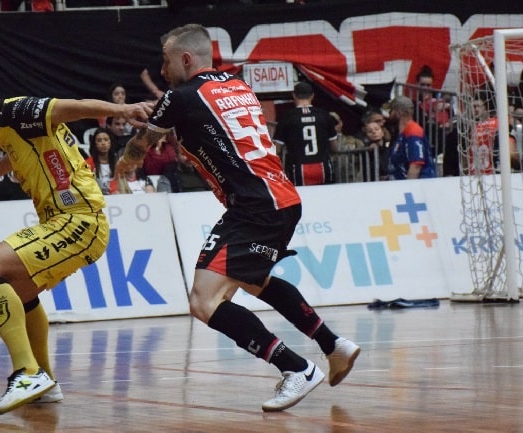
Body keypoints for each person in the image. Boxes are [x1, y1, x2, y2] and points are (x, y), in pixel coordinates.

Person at [114, 23, 360, 412]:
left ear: (186, 59)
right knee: (253, 279)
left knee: (203, 300)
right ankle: (334, 345)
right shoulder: (238, 86)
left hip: (254, 206)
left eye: (165, 62)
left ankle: (296, 369)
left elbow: (142, 144)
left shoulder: (181, 95)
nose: (162, 72)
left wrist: (123, 164)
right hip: (282, 199)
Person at [0, 68, 152, 415]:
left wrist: (123, 111)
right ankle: (45, 381)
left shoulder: (20, 112)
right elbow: (16, 153)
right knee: (21, 292)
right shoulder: (6, 128)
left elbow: (73, 107)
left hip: (78, 220)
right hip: (63, 221)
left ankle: (26, 373)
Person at [273, 81, 338, 186]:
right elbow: (335, 147)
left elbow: (277, 150)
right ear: (312, 95)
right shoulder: (324, 115)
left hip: (298, 169)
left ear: (293, 95)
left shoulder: (286, 117)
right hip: (323, 168)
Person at [387, 96, 436, 180]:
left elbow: (416, 165)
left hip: (419, 186)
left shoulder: (413, 131)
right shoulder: (402, 133)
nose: (389, 113)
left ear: (399, 112)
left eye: (391, 110)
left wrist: (409, 186)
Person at [85, 128, 118, 194]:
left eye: (106, 140)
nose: (103, 143)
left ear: (110, 142)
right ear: (95, 144)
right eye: (99, 141)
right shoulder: (88, 163)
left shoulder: (117, 162)